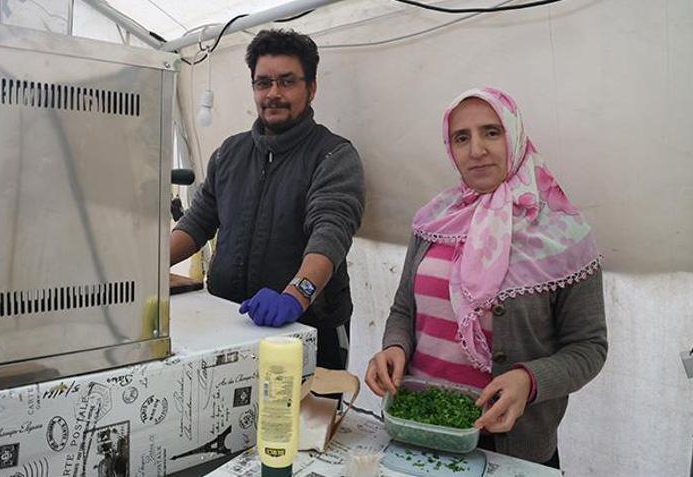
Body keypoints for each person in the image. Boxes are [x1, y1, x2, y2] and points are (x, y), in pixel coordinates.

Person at [364, 87, 607, 467]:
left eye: (491, 132)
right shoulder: (434, 220)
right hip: (420, 427)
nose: (476, 149)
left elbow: (588, 347)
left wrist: (529, 380)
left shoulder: (564, 234)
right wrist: (395, 347)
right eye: (462, 137)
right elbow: (403, 310)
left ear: (515, 134)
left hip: (511, 445)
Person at [171, 29, 365, 370]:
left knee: (306, 424)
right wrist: (143, 268)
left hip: (306, 330)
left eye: (287, 82)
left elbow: (330, 234)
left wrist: (295, 295)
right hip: (229, 323)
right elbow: (198, 220)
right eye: (263, 83)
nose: (273, 93)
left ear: (312, 88)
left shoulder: (333, 155)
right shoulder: (230, 152)